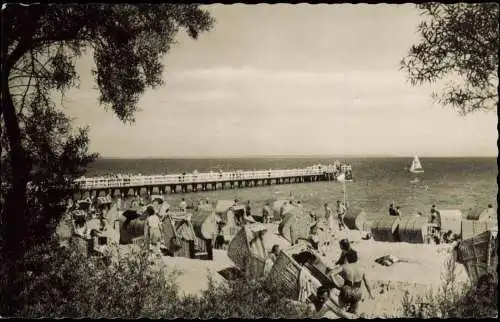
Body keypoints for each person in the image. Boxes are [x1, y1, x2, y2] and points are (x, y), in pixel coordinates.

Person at [337, 250, 374, 315]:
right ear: (356, 259)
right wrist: (370, 293)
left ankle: (342, 312)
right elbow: (366, 283)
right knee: (355, 312)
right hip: (357, 292)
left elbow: (332, 274)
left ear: (348, 259)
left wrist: (337, 285)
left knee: (341, 309)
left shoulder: (345, 267)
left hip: (346, 290)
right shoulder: (361, 268)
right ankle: (354, 313)